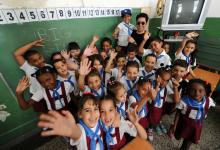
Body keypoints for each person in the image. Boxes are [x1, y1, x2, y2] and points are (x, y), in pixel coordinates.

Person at [38, 94, 105, 150]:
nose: (92, 114)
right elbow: (76, 132)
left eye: (95, 109)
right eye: (87, 110)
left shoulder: (100, 121)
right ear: (80, 114)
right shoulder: (80, 129)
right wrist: (71, 131)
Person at [173, 79, 212, 150]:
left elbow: (206, 109)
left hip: (196, 126)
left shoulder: (207, 101)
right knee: (178, 136)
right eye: (193, 90)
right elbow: (178, 113)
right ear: (188, 90)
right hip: (184, 124)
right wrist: (174, 125)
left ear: (205, 91)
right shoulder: (184, 101)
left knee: (189, 141)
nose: (197, 93)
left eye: (201, 90)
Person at [13, 39, 49, 112]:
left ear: (42, 56)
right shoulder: (28, 68)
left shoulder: (49, 67)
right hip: (37, 94)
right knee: (43, 114)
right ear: (30, 63)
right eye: (34, 61)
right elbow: (16, 54)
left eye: (40, 58)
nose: (39, 61)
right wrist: (32, 44)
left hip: (49, 93)